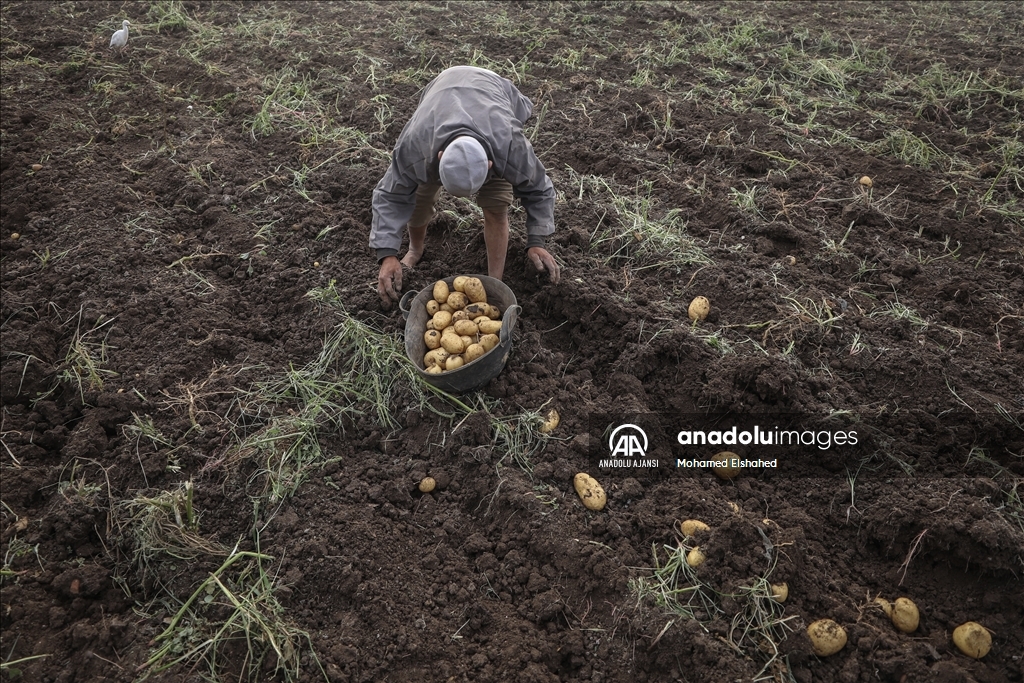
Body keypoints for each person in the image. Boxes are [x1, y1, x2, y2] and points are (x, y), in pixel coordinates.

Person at [370, 65, 560, 307]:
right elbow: (390, 194)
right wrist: (387, 254)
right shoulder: (416, 145)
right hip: (444, 85)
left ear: (491, 164)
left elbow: (540, 188)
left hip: (491, 87)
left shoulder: (510, 145)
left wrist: (537, 241)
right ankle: (415, 250)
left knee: (496, 207)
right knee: (420, 198)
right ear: (439, 158)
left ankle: (494, 284)